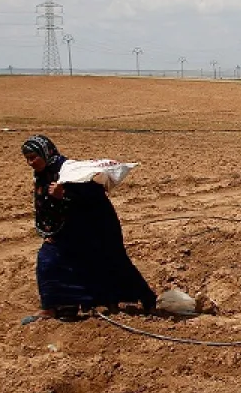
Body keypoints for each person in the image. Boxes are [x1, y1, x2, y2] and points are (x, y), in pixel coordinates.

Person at [22, 134, 156, 319]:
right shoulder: (43, 175)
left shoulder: (72, 172)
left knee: (111, 263)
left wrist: (64, 196)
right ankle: (57, 306)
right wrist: (50, 229)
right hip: (66, 230)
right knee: (50, 261)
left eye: (33, 157)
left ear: (45, 153)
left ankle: (146, 300)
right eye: (27, 159)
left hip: (96, 229)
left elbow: (94, 199)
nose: (30, 163)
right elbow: (44, 205)